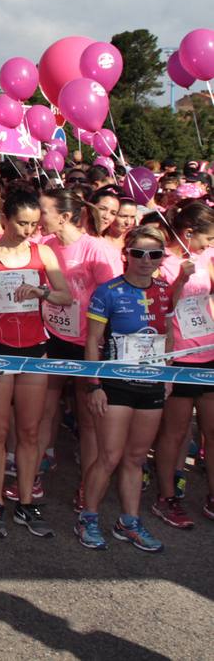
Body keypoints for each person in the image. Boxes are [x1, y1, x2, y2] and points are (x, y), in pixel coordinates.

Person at [0, 191, 72, 538]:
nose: (29, 230)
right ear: (6, 220)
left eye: (33, 224)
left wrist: (40, 292)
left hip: (34, 348)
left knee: (29, 431)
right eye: (22, 223)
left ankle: (26, 501)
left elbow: (65, 295)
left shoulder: (41, 252)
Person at [75, 224, 173, 552]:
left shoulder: (164, 289)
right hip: (114, 385)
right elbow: (92, 341)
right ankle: (88, 517)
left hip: (151, 384)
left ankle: (128, 522)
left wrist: (169, 376)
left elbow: (168, 335)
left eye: (154, 254)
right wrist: (94, 385)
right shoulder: (108, 291)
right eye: (138, 253)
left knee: (135, 457)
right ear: (126, 255)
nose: (146, 260)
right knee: (110, 455)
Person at [38, 189, 122, 511]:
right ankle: (35, 473)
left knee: (89, 420)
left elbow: (113, 298)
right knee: (44, 409)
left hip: (88, 344)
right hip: (54, 336)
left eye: (44, 211)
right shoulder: (46, 246)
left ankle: (88, 485)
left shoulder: (95, 249)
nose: (39, 216)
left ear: (64, 216)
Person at [151, 201, 214, 528]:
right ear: (188, 233)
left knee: (211, 430)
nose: (209, 244)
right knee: (175, 434)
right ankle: (166, 496)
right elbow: (162, 308)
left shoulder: (205, 258)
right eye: (205, 239)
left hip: (208, 351)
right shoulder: (164, 261)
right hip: (178, 356)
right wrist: (177, 283)